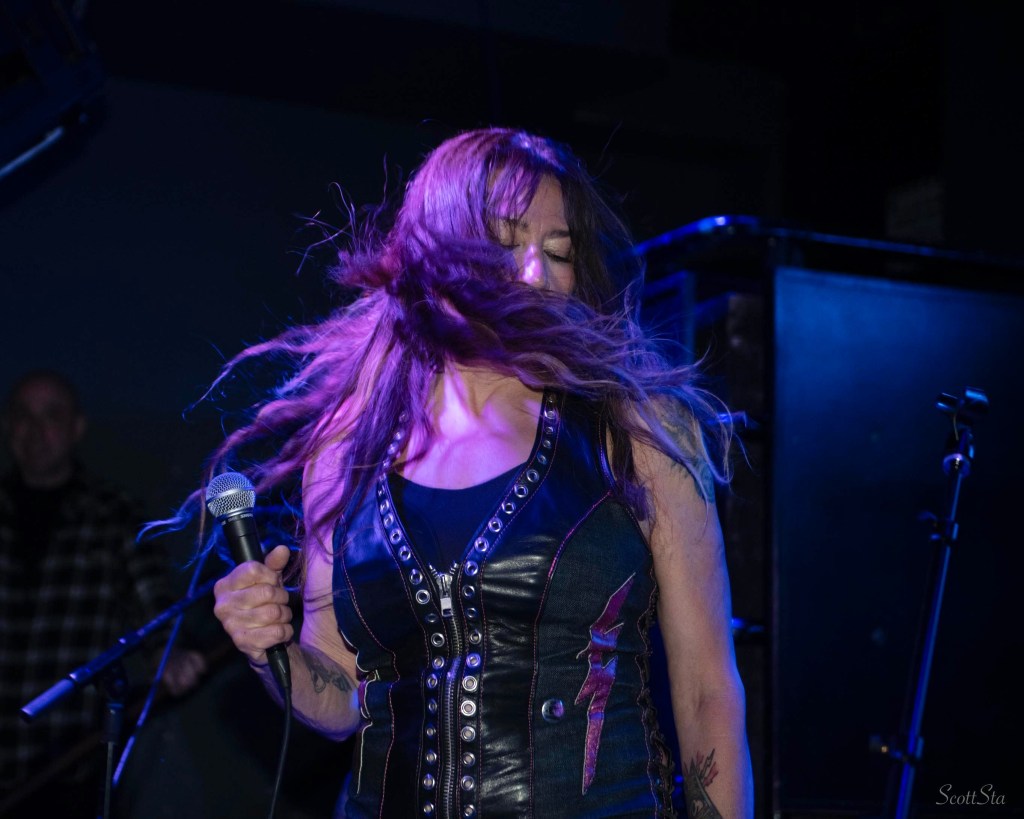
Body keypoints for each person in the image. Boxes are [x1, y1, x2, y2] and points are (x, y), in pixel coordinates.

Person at [209, 127, 753, 817]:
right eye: (506, 244)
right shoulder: (349, 448)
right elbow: (342, 696)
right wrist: (272, 651)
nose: (536, 275)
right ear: (437, 254)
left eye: (558, 252)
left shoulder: (639, 432)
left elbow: (707, 693)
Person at [0, 370, 206, 817]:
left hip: (65, 769)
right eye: (23, 415)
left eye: (51, 415)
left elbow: (153, 602)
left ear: (76, 428)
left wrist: (169, 653)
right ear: (7, 426)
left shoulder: (113, 513)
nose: (35, 430)